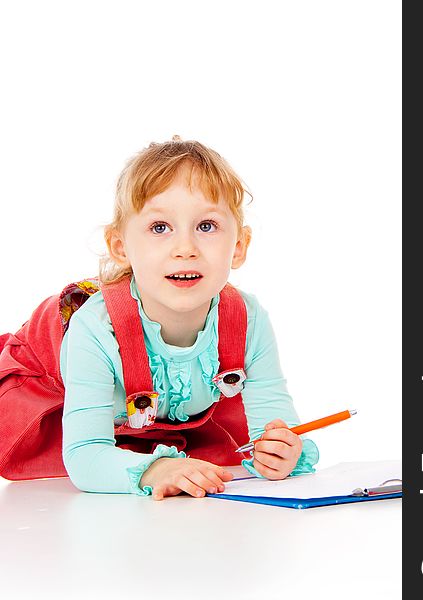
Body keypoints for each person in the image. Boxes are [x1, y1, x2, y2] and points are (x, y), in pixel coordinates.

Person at [60, 136, 319, 501]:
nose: (185, 250)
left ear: (239, 246)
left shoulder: (248, 320)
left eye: (207, 226)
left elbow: (277, 425)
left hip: (163, 421)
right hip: (59, 395)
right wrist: (154, 468)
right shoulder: (96, 329)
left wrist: (281, 451)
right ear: (121, 246)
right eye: (160, 228)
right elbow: (85, 455)